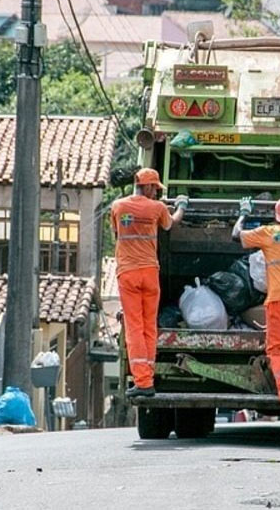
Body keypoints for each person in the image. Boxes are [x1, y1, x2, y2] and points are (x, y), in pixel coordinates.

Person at [111, 168, 188, 399]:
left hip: (128, 273)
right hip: (149, 274)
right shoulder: (158, 208)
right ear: (144, 186)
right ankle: (148, 376)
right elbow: (170, 224)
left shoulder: (118, 206)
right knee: (148, 327)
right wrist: (182, 205)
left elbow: (116, 232)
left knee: (134, 328)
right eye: (154, 187)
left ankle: (143, 381)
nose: (156, 191)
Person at [232, 196, 280, 423]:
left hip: (279, 298)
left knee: (275, 350)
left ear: (276, 214)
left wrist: (244, 213)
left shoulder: (269, 232)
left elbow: (236, 235)